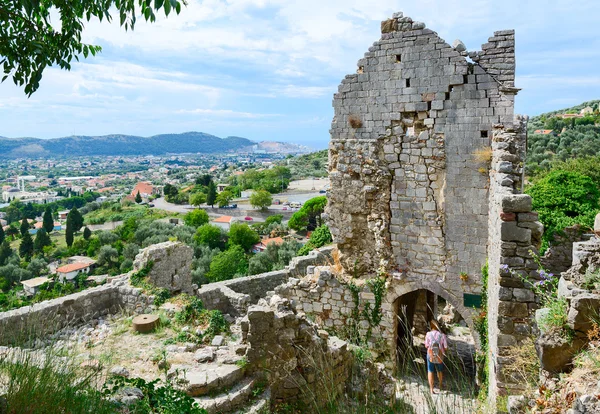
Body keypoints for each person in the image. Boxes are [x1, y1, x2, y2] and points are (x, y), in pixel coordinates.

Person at [425, 319, 448, 394]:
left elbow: (426, 345)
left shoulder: (428, 334)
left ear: (431, 326)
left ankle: (431, 389)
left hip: (430, 354)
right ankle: (440, 385)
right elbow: (445, 347)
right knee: (440, 370)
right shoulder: (442, 335)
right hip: (439, 355)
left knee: (430, 370)